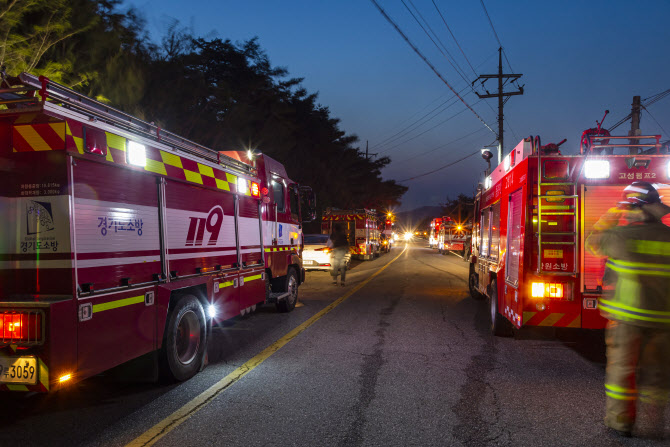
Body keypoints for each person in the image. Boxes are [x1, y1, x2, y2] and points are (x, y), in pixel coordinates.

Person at [587, 182, 670, 438]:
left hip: (627, 319)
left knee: (622, 373)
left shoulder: (622, 237)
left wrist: (612, 213)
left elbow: (594, 242)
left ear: (633, 208)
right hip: (664, 321)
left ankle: (621, 423)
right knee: (658, 374)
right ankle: (656, 423)